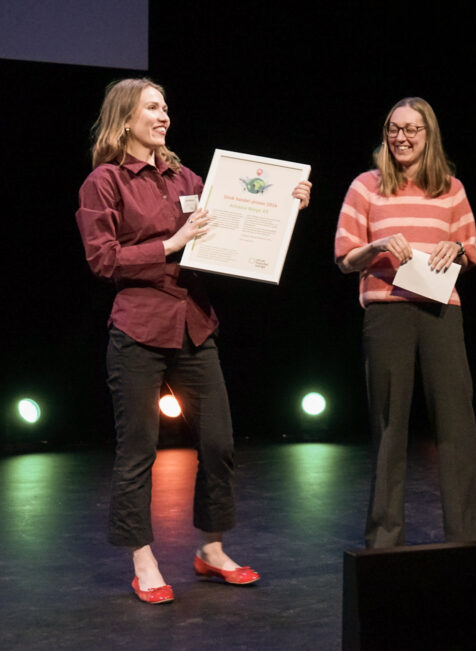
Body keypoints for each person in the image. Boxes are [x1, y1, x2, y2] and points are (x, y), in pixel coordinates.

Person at [75, 78, 312, 604]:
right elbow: (103, 259)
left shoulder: (187, 177)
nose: (164, 116)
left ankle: (211, 549)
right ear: (125, 120)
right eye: (152, 108)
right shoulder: (105, 181)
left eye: (165, 107)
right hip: (138, 326)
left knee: (219, 442)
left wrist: (283, 210)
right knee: (138, 451)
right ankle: (144, 561)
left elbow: (231, 231)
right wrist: (171, 244)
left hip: (194, 323)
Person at [335, 97, 476, 549]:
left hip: (441, 309)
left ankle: (468, 537)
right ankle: (384, 541)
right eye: (394, 129)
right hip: (387, 310)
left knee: (457, 421)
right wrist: (378, 244)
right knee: (389, 425)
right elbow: (344, 258)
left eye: (411, 130)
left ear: (428, 135)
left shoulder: (451, 189)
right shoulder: (366, 186)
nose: (401, 138)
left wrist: (456, 250)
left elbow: (470, 250)